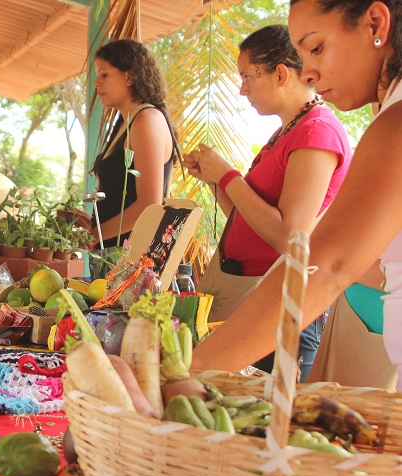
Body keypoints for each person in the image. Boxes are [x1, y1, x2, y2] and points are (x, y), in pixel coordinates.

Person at [192, 0, 402, 391]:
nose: (308, 72)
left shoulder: (385, 125)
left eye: (317, 47)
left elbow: (322, 259)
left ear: (375, 23)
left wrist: (194, 368)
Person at [183, 24, 352, 381]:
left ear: (279, 74)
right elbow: (248, 220)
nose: (242, 89)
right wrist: (217, 182)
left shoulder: (317, 129)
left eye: (247, 76)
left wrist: (229, 176)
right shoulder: (289, 131)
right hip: (251, 296)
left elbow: (291, 235)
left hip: (279, 305)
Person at [89, 39, 177, 250]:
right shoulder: (126, 123)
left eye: (104, 74)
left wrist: (92, 236)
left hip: (133, 263)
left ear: (128, 76)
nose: (96, 83)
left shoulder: (146, 119)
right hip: (114, 255)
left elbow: (149, 205)